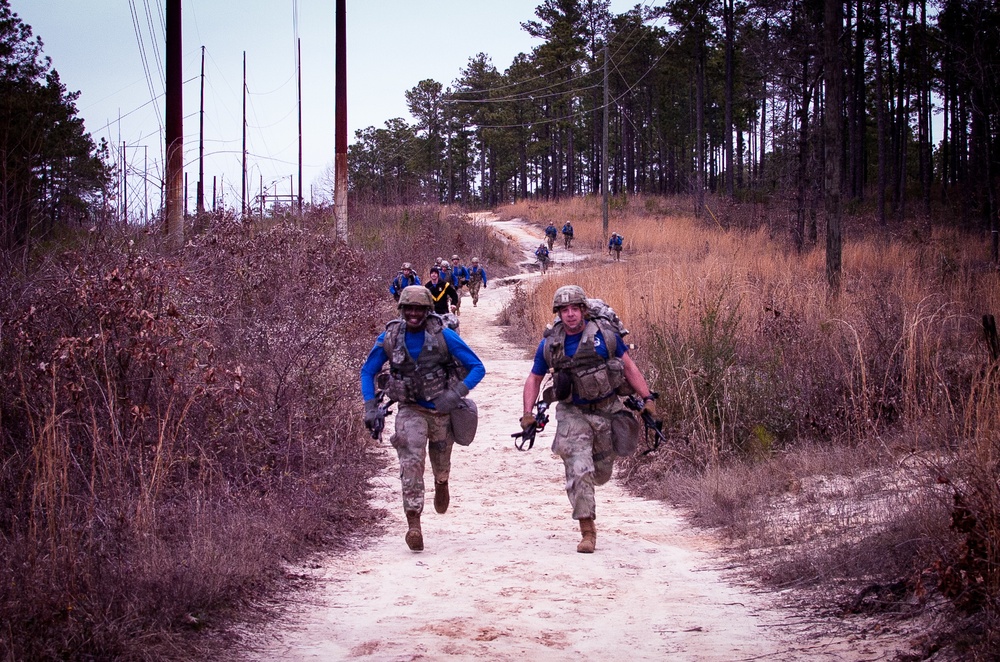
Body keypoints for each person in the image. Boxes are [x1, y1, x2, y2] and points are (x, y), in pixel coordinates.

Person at [521, 285, 655, 554]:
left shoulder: (605, 336)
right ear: (558, 314)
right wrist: (527, 414)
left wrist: (647, 400)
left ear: (583, 310)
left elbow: (628, 367)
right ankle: (587, 530)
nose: (570, 314)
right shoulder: (550, 344)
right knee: (579, 468)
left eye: (574, 309)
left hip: (607, 408)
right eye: (564, 310)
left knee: (601, 474)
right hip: (573, 413)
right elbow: (534, 378)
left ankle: (589, 488)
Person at [361, 286, 485, 551]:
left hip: (441, 411)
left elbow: (477, 367)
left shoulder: (444, 337)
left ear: (428, 311)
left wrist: (456, 395)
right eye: (409, 309)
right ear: (402, 310)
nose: (414, 314)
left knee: (440, 463)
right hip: (410, 409)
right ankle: (413, 523)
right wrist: (370, 405)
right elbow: (368, 371)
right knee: (411, 463)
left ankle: (442, 482)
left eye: (419, 309)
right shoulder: (390, 337)